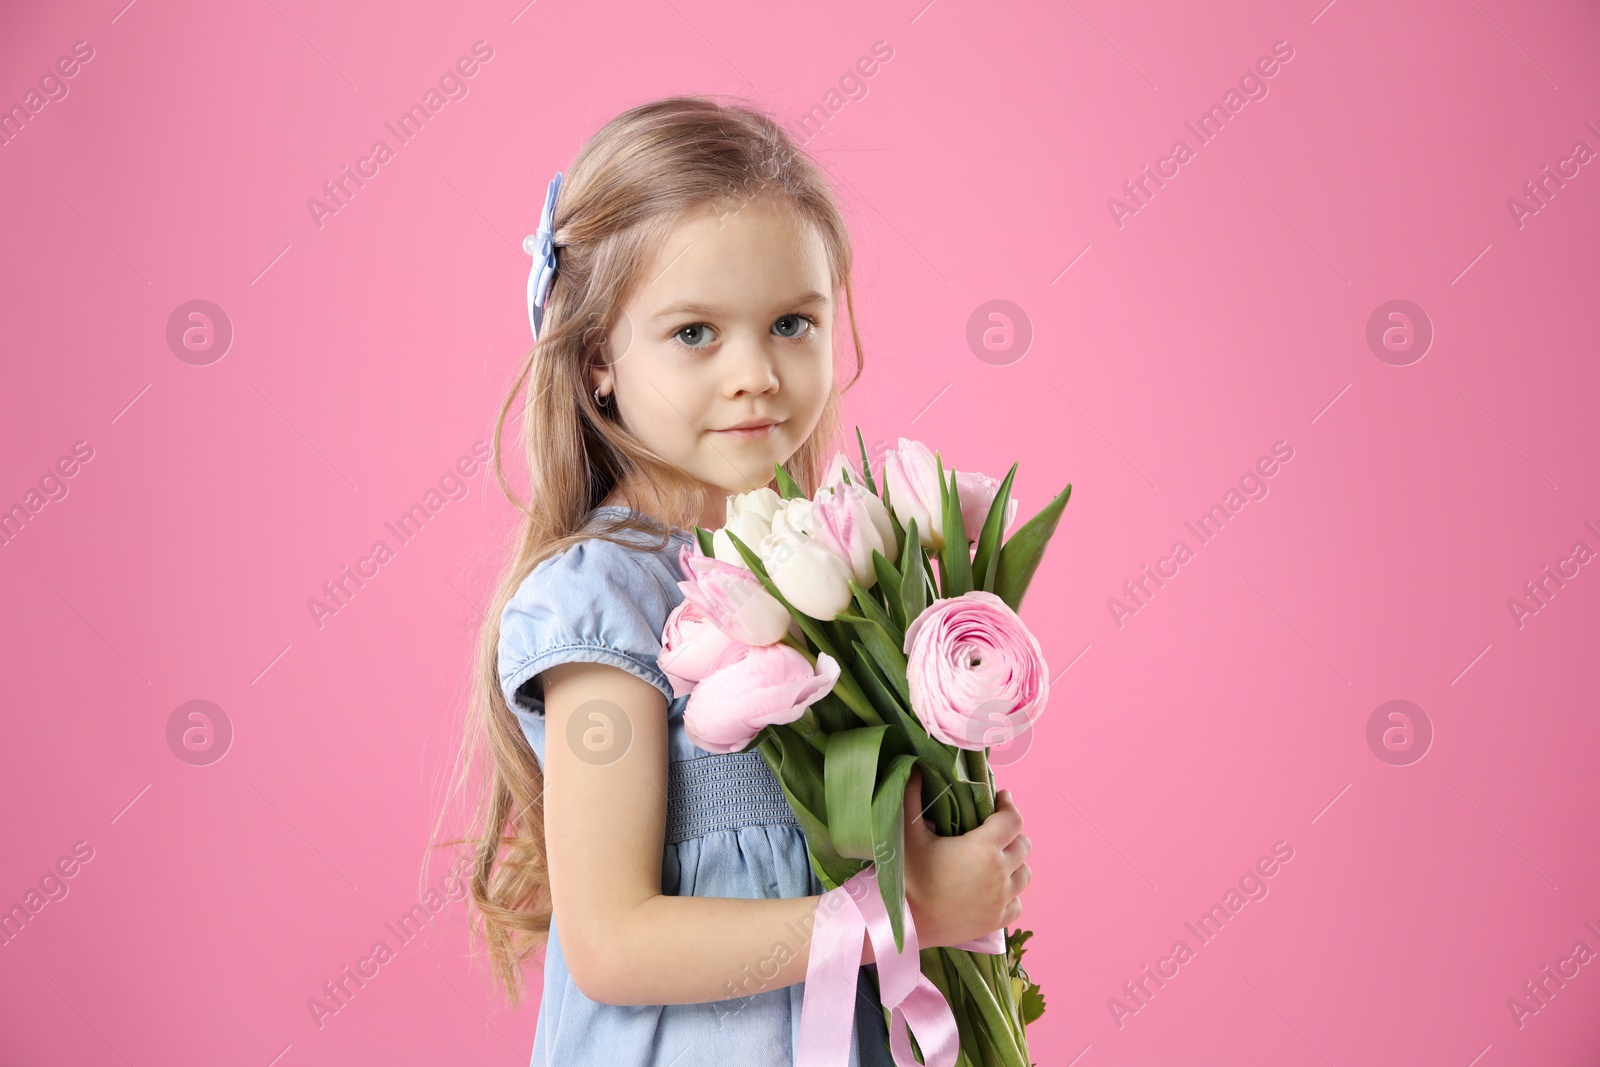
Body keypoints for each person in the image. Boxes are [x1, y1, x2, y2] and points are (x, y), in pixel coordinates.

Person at [440, 94, 1033, 1066]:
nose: (755, 371)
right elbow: (614, 941)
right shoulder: (602, 597)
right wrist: (901, 907)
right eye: (695, 334)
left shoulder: (828, 576)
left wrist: (959, 839)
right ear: (597, 360)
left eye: (792, 322)